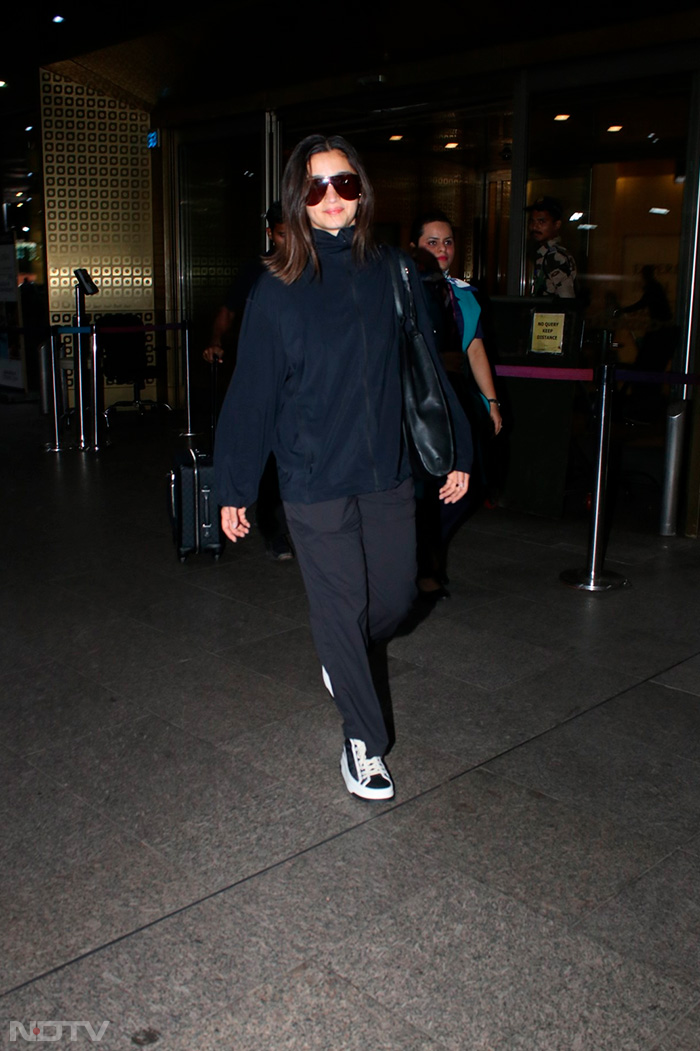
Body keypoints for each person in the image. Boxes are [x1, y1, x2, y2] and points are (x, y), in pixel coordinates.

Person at [214, 134, 473, 801]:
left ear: (363, 192)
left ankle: (344, 658)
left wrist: (455, 450)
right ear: (298, 199)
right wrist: (235, 483)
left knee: (395, 599)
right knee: (340, 605)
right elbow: (252, 390)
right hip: (311, 478)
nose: (332, 198)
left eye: (345, 184)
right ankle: (364, 741)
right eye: (316, 186)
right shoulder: (277, 286)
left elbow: (422, 366)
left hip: (384, 469)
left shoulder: (394, 270)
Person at [409, 210, 502, 598]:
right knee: (423, 487)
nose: (442, 249)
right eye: (433, 241)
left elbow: (476, 349)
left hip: (457, 393)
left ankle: (423, 555)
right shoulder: (404, 289)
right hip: (417, 395)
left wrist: (491, 401)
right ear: (415, 247)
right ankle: (422, 566)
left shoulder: (463, 293)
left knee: (469, 484)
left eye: (447, 242)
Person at [204, 202, 292, 561]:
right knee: (266, 449)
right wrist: (215, 340)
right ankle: (272, 527)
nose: (290, 241)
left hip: (299, 381)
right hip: (262, 370)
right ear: (271, 233)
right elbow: (227, 310)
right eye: (284, 234)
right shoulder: (257, 270)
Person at [528, 196, 577, 299]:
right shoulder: (544, 253)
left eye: (541, 222)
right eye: (532, 221)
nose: (534, 227)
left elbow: (566, 299)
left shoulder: (555, 256)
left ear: (557, 225)